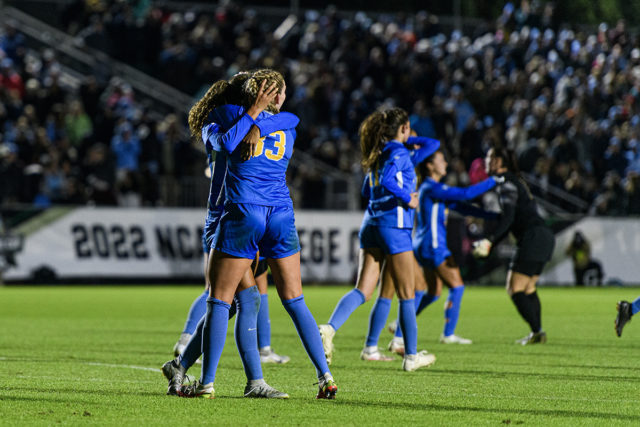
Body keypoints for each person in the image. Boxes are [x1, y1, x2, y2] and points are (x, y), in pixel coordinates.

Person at [177, 69, 337, 399]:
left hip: (238, 213)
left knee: (222, 300)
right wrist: (255, 120)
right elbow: (288, 119)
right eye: (276, 91)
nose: (279, 97)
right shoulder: (286, 124)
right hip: (279, 213)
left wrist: (254, 121)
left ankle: (206, 380)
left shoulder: (223, 116)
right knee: (280, 299)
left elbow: (227, 140)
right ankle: (323, 376)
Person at [162, 72, 295, 398]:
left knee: (240, 299)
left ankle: (184, 365)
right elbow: (229, 143)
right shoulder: (229, 121)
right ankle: (240, 379)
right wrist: (254, 118)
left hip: (231, 217)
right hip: (227, 218)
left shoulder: (238, 121)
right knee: (226, 298)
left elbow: (290, 117)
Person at [318, 108, 436, 371]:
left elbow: (366, 188)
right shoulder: (399, 153)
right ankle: (411, 356)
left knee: (363, 291)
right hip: (394, 227)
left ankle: (329, 327)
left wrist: (402, 139)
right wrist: (407, 196)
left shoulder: (377, 155)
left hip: (370, 225)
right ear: (404, 128)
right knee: (408, 294)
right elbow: (391, 179)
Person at [387, 145, 499, 351]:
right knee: (457, 286)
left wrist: (492, 217)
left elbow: (461, 207)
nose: (445, 163)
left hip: (423, 244)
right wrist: (495, 180)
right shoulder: (432, 187)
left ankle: (400, 327)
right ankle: (447, 334)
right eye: (441, 160)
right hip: (433, 246)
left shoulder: (433, 190)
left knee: (433, 291)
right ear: (430, 165)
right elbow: (466, 193)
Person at [473, 146, 555, 345]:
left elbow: (508, 218)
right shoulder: (515, 180)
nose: (486, 160)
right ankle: (538, 332)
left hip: (532, 237)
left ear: (500, 161)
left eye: (491, 157)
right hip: (544, 236)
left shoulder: (505, 182)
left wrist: (490, 240)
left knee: (514, 288)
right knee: (528, 288)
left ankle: (537, 331)